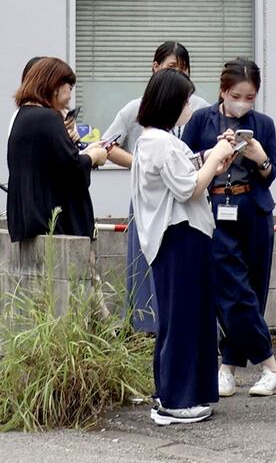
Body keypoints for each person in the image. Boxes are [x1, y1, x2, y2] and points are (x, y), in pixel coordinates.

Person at [131, 68, 236, 425]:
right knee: (185, 318)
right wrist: (216, 156)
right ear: (171, 103)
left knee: (180, 317)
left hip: (175, 237)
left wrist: (213, 160)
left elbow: (186, 174)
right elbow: (189, 188)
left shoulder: (152, 139)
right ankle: (177, 401)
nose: (190, 106)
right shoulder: (161, 142)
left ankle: (173, 394)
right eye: (186, 100)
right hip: (181, 236)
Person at [182, 59, 276, 398]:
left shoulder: (263, 124)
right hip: (214, 207)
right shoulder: (202, 119)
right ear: (223, 91)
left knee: (252, 290)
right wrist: (215, 152)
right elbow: (185, 163)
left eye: (250, 97)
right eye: (237, 96)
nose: (243, 103)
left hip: (253, 209)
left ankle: (227, 367)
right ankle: (270, 367)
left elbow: (270, 175)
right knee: (232, 291)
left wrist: (259, 156)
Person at [103, 41, 210, 333]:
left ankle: (170, 329)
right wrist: (143, 164)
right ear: (155, 67)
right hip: (153, 197)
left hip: (187, 201)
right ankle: (145, 327)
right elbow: (107, 146)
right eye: (172, 67)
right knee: (145, 262)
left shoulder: (199, 107)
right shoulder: (138, 110)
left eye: (185, 69)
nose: (179, 74)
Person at [7, 57, 108, 242]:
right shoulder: (49, 118)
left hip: (28, 221)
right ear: (55, 86)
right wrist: (94, 156)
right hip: (53, 225)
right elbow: (72, 170)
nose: (70, 97)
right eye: (69, 87)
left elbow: (51, 165)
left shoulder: (23, 117)